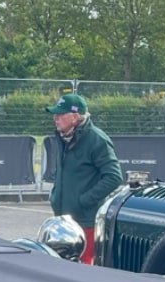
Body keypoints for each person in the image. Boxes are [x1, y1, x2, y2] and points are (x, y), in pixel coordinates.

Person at [46, 93, 122, 265]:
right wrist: (55, 196)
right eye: (54, 115)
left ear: (74, 117)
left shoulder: (96, 139)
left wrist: (85, 200)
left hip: (85, 221)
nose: (55, 119)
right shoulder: (63, 137)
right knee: (59, 266)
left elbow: (114, 176)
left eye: (60, 115)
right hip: (62, 219)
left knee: (82, 267)